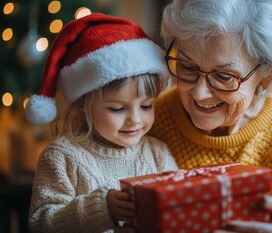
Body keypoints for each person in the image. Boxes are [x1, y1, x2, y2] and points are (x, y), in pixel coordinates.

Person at [149, 0, 272, 232]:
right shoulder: (152, 116)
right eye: (187, 67)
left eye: (224, 76)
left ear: (266, 77)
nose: (199, 93)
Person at [25, 13, 178, 233]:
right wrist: (102, 208)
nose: (135, 119)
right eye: (117, 108)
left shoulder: (158, 154)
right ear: (82, 106)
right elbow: (41, 223)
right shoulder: (62, 157)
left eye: (146, 106)